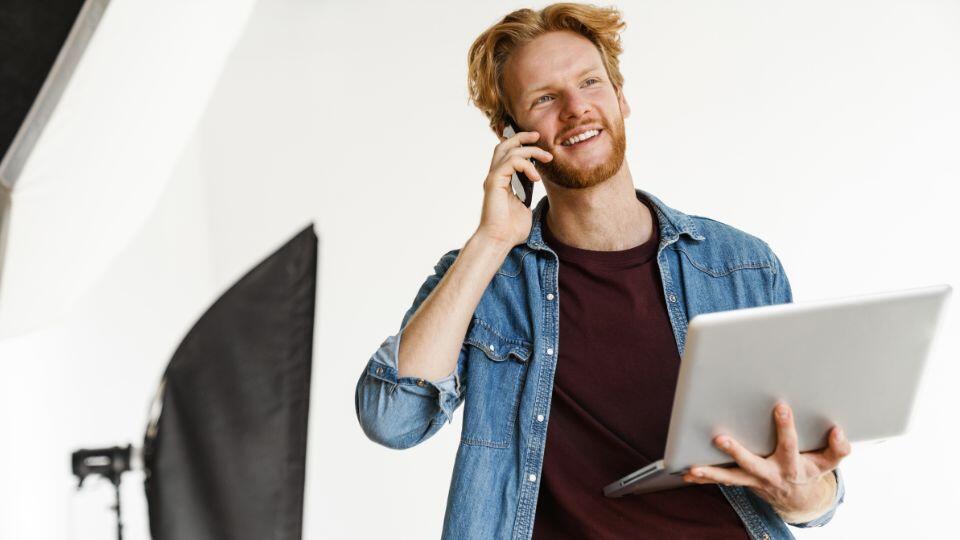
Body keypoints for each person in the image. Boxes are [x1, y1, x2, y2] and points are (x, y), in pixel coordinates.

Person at [355, 3, 849, 539]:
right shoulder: (483, 276)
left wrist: (805, 493)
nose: (576, 109)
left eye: (591, 83)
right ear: (511, 135)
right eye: (545, 98)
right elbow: (393, 420)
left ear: (620, 97)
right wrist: (492, 240)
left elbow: (807, 488)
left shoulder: (740, 266)